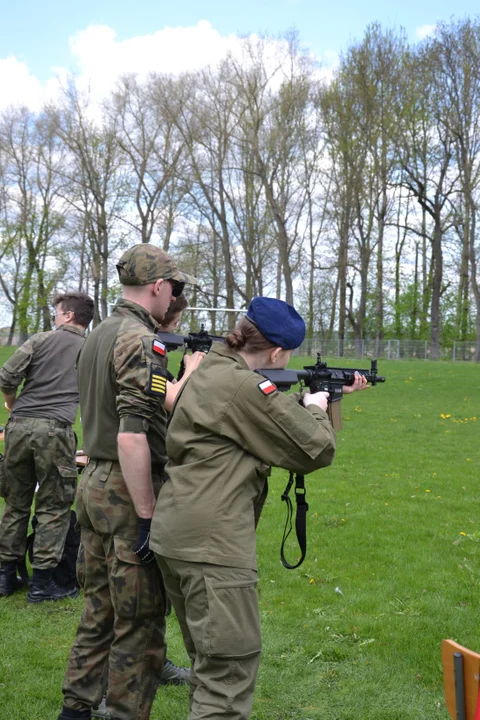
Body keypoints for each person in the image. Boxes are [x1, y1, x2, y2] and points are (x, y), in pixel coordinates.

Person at [150, 296, 367, 720]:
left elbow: (260, 414)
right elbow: (316, 448)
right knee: (227, 683)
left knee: (208, 666)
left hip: (177, 534)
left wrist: (317, 398)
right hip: (213, 546)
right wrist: (319, 409)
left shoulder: (211, 367)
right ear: (276, 352)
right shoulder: (244, 387)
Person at [57, 244, 204, 720]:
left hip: (93, 481)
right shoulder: (139, 339)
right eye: (175, 289)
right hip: (125, 487)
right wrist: (146, 517)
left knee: (99, 608)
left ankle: (76, 707)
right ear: (158, 286)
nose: (175, 298)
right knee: (139, 620)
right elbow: (133, 435)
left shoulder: (99, 332)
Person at [0, 292, 94, 602]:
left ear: (68, 316)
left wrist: (14, 407)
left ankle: (5, 578)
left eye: (57, 312)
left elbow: (7, 376)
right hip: (55, 430)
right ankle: (42, 584)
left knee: (15, 502)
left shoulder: (39, 340)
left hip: (18, 427)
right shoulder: (91, 348)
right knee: (53, 507)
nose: (54, 317)